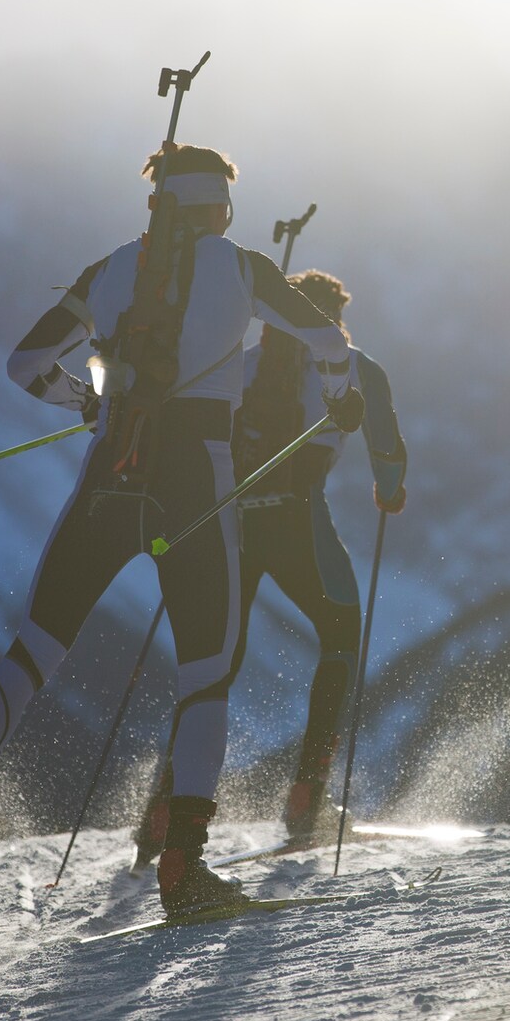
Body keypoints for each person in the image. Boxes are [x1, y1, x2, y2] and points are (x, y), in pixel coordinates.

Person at [0, 144, 364, 918]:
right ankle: (184, 872)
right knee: (205, 674)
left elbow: (26, 363)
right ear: (220, 207)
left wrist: (83, 400)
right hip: (196, 485)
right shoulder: (246, 271)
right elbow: (331, 346)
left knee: (34, 650)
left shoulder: (111, 270)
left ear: (158, 206)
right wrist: (341, 404)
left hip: (110, 475)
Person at [133, 268, 408, 864]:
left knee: (216, 660)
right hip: (296, 520)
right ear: (334, 317)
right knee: (339, 636)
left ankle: (164, 806)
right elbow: (386, 449)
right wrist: (390, 489)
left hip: (229, 521)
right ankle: (307, 796)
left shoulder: (236, 364)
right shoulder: (356, 368)